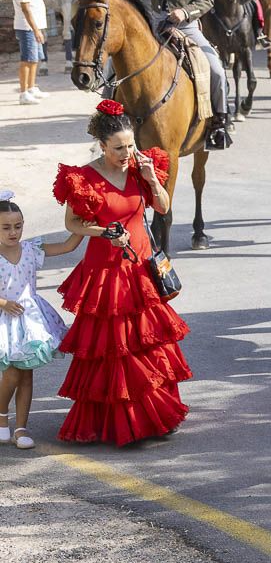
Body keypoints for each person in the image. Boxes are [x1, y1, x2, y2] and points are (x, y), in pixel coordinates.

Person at [52, 100, 192, 446]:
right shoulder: (82, 178)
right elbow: (73, 224)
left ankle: (157, 414)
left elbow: (163, 207)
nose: (127, 152)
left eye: (130, 145)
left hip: (141, 267)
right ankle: (124, 421)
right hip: (106, 272)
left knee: (148, 344)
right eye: (119, 148)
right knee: (114, 349)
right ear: (102, 146)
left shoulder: (140, 168)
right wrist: (105, 232)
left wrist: (150, 179)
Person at [128, 0, 233, 148]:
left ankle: (219, 123)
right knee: (113, 63)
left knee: (215, 68)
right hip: (155, 26)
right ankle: (109, 118)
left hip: (186, 27)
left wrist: (185, 12)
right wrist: (141, 16)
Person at [0, 192, 83, 451]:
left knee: (26, 374)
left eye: (18, 226)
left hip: (30, 318)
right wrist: (3, 303)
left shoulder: (32, 249)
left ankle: (21, 427)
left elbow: (68, 246)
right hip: (6, 318)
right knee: (12, 372)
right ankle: (2, 418)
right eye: (6, 227)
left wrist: (85, 222)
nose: (14, 232)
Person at [12, 0, 49, 106]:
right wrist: (35, 30)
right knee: (27, 59)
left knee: (34, 58)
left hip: (35, 26)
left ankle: (31, 87)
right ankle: (23, 93)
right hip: (27, 27)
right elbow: (25, 7)